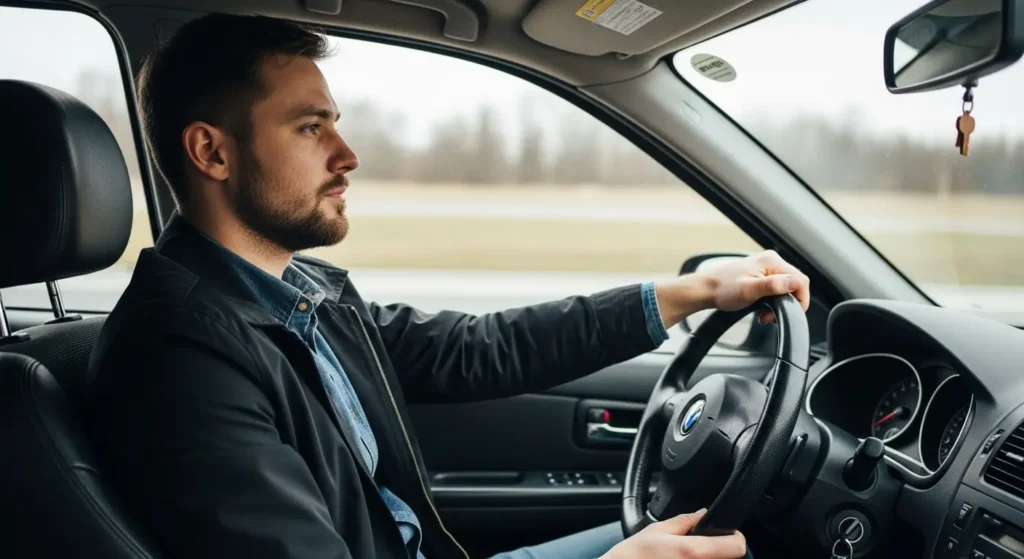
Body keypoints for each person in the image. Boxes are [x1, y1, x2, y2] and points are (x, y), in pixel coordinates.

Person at [84, 13, 810, 559]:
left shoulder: (298, 292)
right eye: (311, 128)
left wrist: (695, 291)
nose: (348, 155)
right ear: (212, 151)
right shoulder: (178, 355)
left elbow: (478, 348)